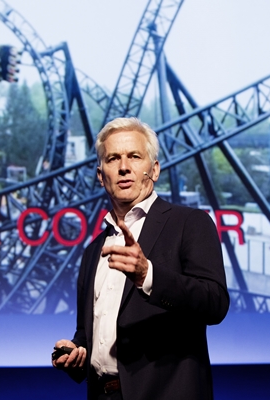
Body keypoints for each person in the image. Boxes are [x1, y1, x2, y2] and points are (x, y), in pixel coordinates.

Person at [52, 117, 229, 400]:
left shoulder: (190, 223)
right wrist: (76, 353)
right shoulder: (93, 250)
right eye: (113, 158)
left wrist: (148, 275)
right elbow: (88, 335)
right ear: (101, 175)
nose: (124, 167)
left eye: (134, 156)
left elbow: (215, 303)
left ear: (154, 169)